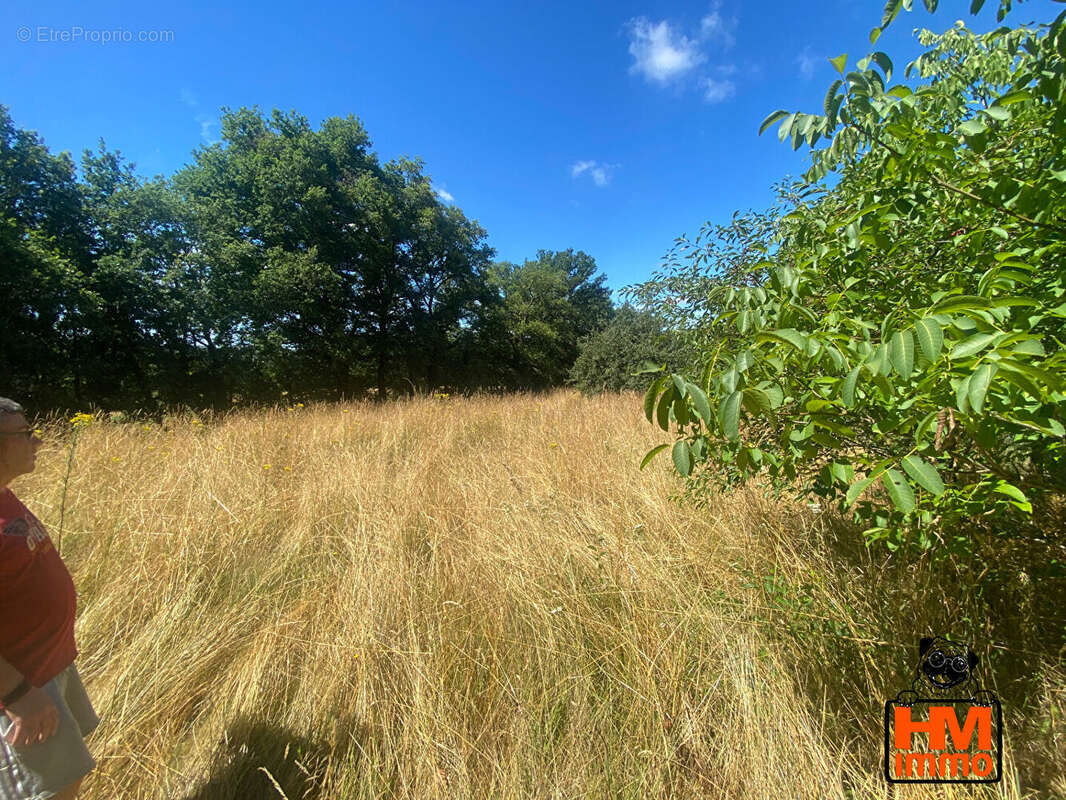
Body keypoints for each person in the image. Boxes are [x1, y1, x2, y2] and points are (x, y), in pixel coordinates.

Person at [0, 398, 98, 799]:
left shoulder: (4, 495)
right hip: (19, 688)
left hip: (45, 669)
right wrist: (18, 695)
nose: (36, 440)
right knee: (47, 791)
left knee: (65, 779)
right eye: (24, 433)